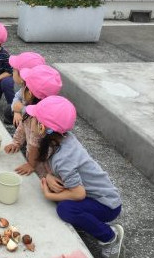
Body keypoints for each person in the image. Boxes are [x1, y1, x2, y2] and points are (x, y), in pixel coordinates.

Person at [27, 96, 124, 258]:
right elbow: (54, 169)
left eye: (33, 118)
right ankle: (86, 220)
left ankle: (110, 236)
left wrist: (50, 194)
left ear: (42, 127)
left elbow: (79, 194)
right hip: (95, 196)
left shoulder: (63, 157)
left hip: (107, 205)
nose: (30, 120)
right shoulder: (61, 139)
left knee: (65, 209)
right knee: (59, 193)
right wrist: (49, 177)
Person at [4, 65, 62, 177]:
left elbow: (34, 144)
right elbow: (23, 125)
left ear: (29, 93)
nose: (22, 88)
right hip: (34, 158)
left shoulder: (40, 119)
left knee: (39, 182)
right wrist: (16, 142)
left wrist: (31, 164)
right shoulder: (30, 108)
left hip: (43, 169)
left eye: (24, 86)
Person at [8, 52, 46, 126]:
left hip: (36, 124)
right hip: (24, 110)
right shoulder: (24, 86)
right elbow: (17, 97)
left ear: (22, 76)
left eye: (14, 70)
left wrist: (21, 109)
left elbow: (38, 113)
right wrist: (16, 111)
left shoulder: (38, 93)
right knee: (8, 110)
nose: (12, 73)